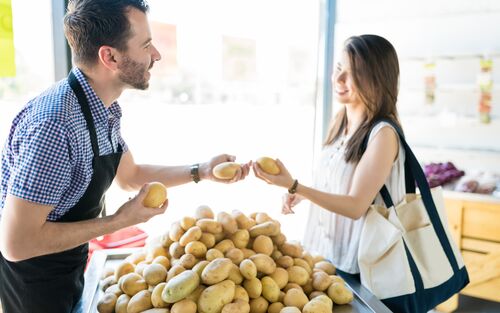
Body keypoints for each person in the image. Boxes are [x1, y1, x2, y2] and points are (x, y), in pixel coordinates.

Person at [0, 0, 250, 312]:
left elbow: (130, 176)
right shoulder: (55, 125)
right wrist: (119, 221)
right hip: (34, 291)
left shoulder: (98, 109)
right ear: (110, 56)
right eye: (146, 45)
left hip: (69, 271)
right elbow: (17, 243)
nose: (156, 55)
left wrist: (202, 170)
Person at [253, 34, 404, 303]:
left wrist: (295, 185)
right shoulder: (340, 122)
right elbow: (338, 182)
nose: (338, 79)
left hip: (359, 268)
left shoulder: (383, 134)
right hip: (326, 256)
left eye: (353, 73)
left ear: (377, 78)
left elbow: (356, 205)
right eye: (338, 68)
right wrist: (300, 194)